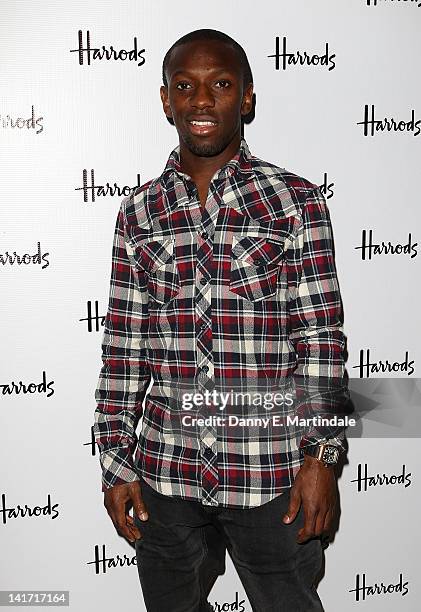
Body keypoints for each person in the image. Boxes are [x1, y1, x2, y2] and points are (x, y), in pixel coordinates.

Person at [94, 28, 349, 612]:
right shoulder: (137, 214)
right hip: (167, 474)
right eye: (185, 86)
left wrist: (322, 459)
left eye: (220, 85)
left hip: (272, 474)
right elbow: (125, 349)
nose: (202, 100)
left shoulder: (295, 201)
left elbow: (320, 339)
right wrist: (114, 463)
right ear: (166, 101)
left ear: (247, 98)